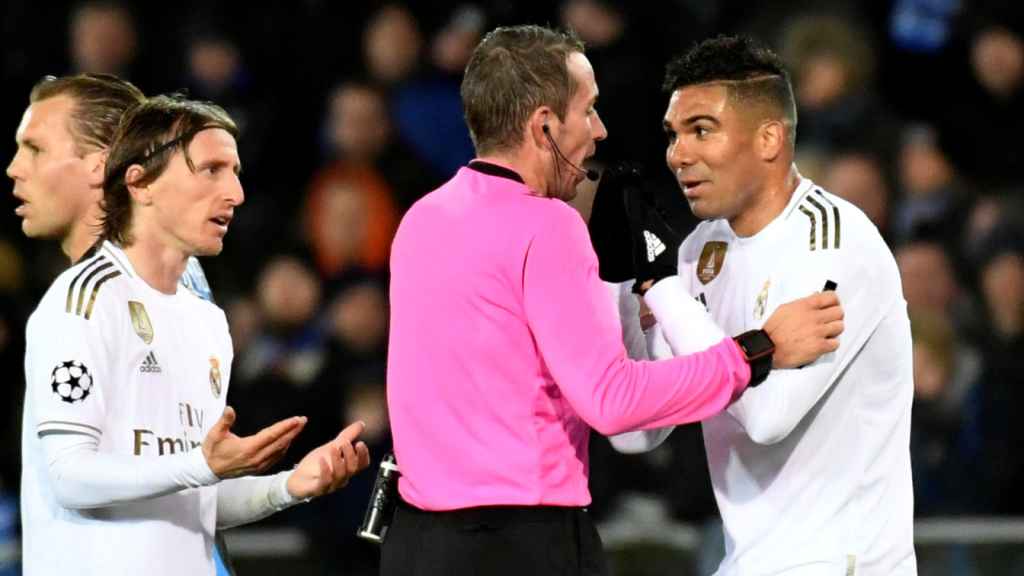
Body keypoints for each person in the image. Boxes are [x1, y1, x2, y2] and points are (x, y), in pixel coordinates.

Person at [383, 25, 843, 576]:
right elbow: (613, 401)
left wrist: (617, 291)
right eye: (589, 110)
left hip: (415, 543)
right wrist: (756, 351)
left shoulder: (420, 220)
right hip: (520, 546)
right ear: (545, 126)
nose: (599, 131)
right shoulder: (547, 226)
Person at [19, 95, 371, 575]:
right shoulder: (84, 301)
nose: (235, 193)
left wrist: (289, 486)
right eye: (211, 170)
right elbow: (69, 477)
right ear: (140, 184)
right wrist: (201, 466)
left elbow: (194, 500)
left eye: (235, 171)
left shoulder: (207, 321)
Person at [611, 36, 916, 575]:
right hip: (746, 562)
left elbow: (767, 416)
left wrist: (663, 291)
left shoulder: (835, 240)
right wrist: (621, 293)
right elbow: (637, 431)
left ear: (770, 138)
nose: (679, 154)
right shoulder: (698, 250)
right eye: (673, 135)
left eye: (701, 130)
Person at [7, 73, 228, 572]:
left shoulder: (162, 289)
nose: (15, 168)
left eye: (35, 149)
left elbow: (189, 480)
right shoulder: (155, 281)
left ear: (103, 164)